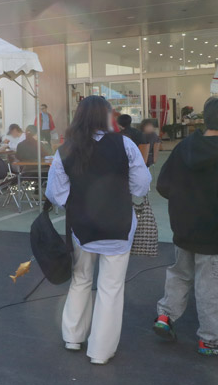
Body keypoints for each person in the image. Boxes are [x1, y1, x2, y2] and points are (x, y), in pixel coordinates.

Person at [46, 95, 150, 365]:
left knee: (81, 279)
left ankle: (72, 336)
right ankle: (100, 351)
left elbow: (55, 193)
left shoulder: (66, 148)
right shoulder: (125, 144)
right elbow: (141, 185)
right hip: (119, 224)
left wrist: (77, 202)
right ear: (107, 116)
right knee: (110, 288)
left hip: (82, 226)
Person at [154, 97, 218, 356]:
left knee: (179, 273)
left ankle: (165, 316)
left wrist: (184, 201)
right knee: (209, 285)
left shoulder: (185, 146)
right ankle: (209, 339)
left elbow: (163, 185)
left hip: (183, 225)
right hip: (212, 232)